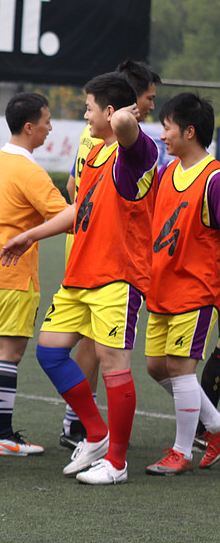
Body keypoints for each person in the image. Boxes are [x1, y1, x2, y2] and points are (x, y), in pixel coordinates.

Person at [1, 72, 158, 485]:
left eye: (89, 108)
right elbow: (80, 209)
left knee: (113, 365)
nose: (84, 116)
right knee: (49, 352)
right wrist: (31, 234)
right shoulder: (96, 154)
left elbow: (125, 126)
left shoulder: (134, 154)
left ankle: (117, 464)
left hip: (117, 277)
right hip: (80, 275)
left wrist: (125, 114)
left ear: (111, 112)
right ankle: (96, 433)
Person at [0, 93, 67, 456]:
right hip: (13, 272)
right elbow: (66, 217)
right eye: (47, 122)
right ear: (30, 127)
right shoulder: (29, 171)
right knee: (8, 354)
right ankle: (2, 435)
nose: (50, 128)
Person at [59, 59, 161, 449]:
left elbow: (73, 188)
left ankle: (85, 429)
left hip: (92, 254)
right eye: (148, 98)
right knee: (94, 349)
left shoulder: (100, 140)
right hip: (104, 257)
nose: (150, 106)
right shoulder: (112, 141)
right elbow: (82, 193)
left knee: (92, 347)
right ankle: (89, 430)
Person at [143, 92, 220, 474]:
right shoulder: (166, 173)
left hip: (196, 290)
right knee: (156, 367)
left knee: (179, 367)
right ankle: (216, 427)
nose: (162, 135)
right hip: (162, 287)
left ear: (190, 131)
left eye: (167, 127)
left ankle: (181, 452)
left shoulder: (214, 179)